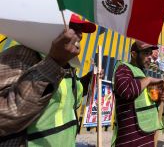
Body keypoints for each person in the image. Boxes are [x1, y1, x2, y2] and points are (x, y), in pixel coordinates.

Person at [0, 14, 96, 146]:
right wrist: (54, 62)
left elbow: (75, 101)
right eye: (73, 27)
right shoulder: (20, 55)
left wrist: (92, 77)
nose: (79, 35)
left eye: (81, 30)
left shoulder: (69, 65)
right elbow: (5, 118)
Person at [112, 41, 164, 147]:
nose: (149, 57)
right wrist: (148, 80)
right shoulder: (123, 69)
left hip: (147, 137)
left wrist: (162, 97)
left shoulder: (142, 74)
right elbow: (127, 92)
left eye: (150, 54)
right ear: (134, 54)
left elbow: (153, 100)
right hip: (131, 141)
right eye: (145, 53)